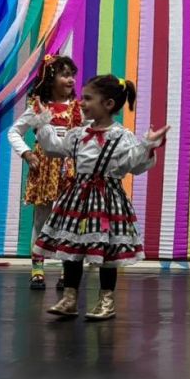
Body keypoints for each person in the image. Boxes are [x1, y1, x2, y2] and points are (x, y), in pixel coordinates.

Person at [32, 74, 168, 320]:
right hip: (77, 197)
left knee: (107, 251)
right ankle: (70, 298)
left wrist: (147, 146)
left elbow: (134, 165)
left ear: (108, 104)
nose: (81, 103)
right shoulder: (77, 134)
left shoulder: (121, 136)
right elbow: (55, 148)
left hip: (107, 200)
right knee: (72, 246)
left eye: (87, 98)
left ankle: (106, 300)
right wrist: (43, 123)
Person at [7, 54, 82, 290]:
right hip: (45, 167)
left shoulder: (79, 108)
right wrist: (27, 154)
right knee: (42, 218)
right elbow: (14, 132)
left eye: (72, 75)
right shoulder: (39, 107)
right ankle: (37, 268)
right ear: (51, 78)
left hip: (71, 168)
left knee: (69, 219)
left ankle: (66, 269)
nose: (71, 80)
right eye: (65, 75)